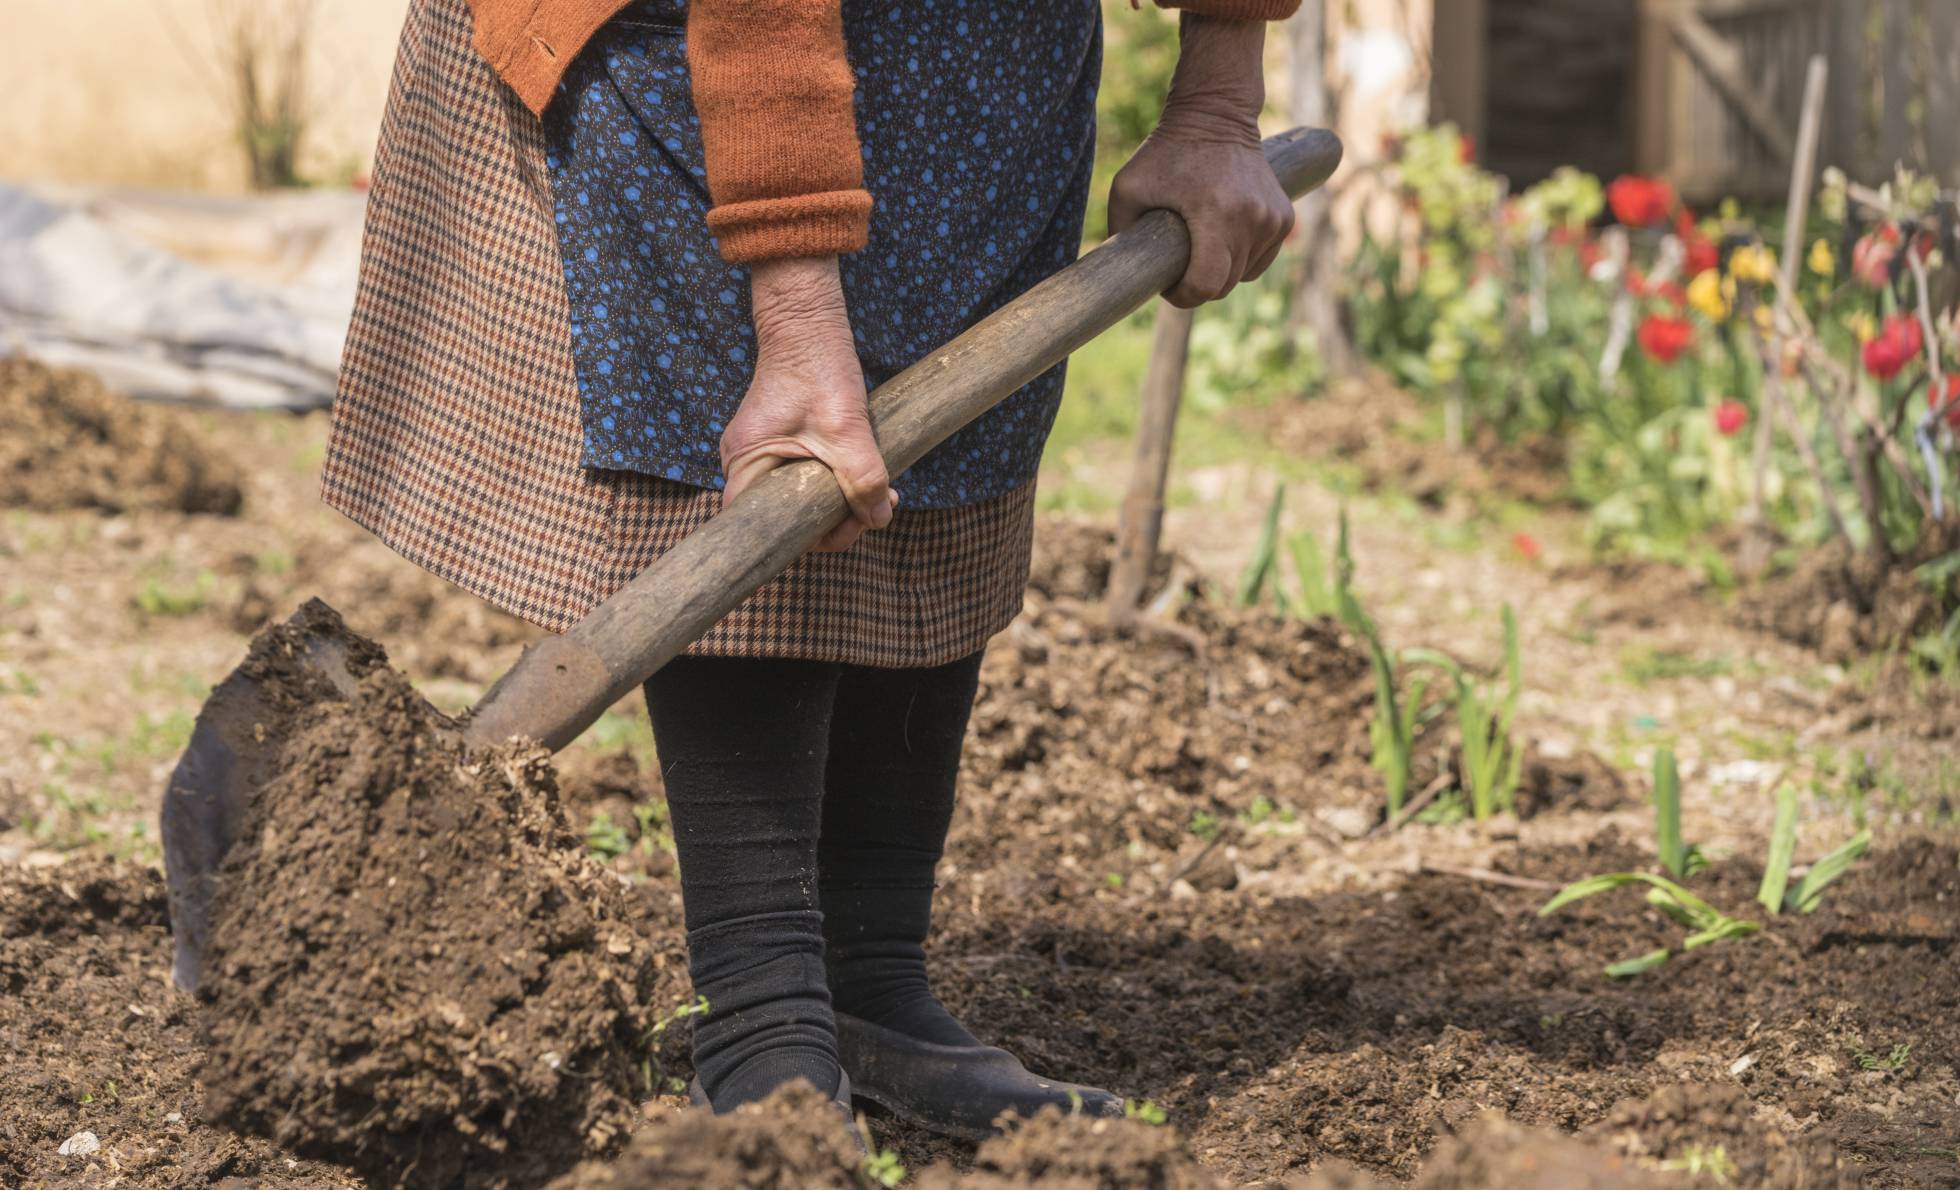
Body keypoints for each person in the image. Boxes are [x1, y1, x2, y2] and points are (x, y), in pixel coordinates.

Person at [324, 0, 1300, 1138]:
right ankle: (759, 1001)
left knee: (959, 376)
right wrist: (791, 305)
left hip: (987, 41)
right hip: (701, 29)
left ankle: (870, 977)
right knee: (738, 410)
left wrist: (1219, 91)